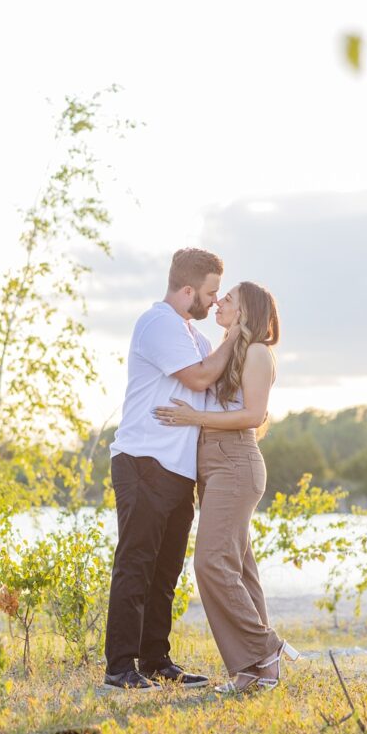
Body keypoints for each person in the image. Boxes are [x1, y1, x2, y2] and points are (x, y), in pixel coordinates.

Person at [153, 280, 299, 694]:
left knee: (211, 563)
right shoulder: (232, 351)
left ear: (246, 312)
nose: (218, 301)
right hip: (216, 465)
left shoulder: (256, 353)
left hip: (235, 461)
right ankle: (255, 671)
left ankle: (265, 648)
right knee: (238, 568)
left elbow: (253, 415)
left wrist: (193, 420)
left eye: (228, 299)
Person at [102, 248, 237, 692]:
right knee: (136, 564)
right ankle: (120, 668)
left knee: (165, 572)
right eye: (210, 292)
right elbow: (198, 379)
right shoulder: (158, 323)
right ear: (186, 290)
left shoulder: (193, 335)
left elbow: (212, 378)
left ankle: (156, 660)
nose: (214, 302)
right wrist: (239, 333)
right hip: (143, 461)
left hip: (178, 471)